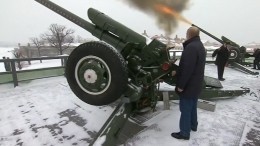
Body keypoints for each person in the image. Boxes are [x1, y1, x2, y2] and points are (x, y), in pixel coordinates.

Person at [171, 26, 206, 140]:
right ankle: (193, 125)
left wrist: (181, 86)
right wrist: (177, 72)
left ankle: (184, 133)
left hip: (189, 85)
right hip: (196, 84)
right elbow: (193, 66)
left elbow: (188, 69)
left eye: (186, 34)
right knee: (192, 107)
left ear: (189, 34)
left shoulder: (191, 47)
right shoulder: (200, 46)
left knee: (185, 109)